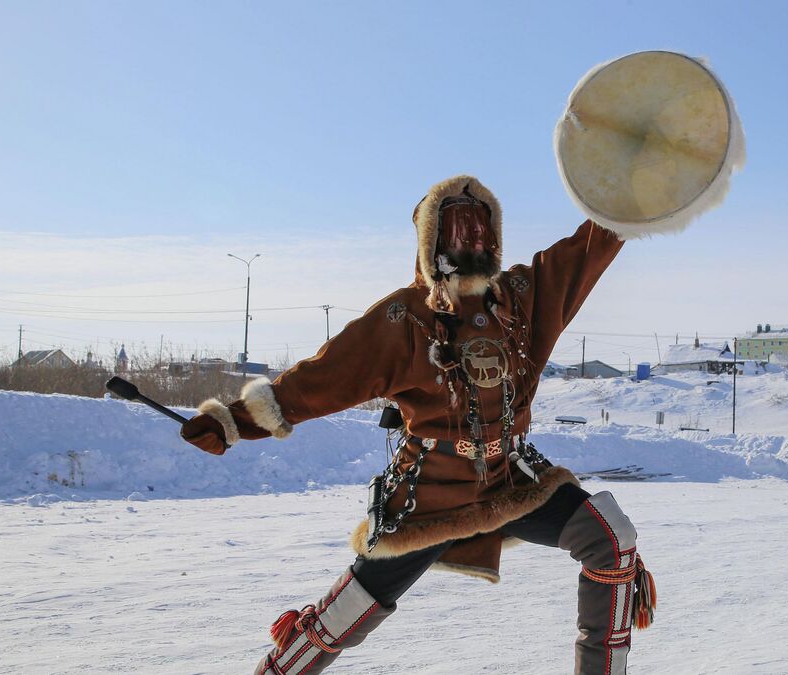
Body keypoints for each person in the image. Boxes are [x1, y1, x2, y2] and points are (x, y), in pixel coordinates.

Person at [181, 175, 654, 675]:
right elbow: (322, 379)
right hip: (429, 495)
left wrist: (630, 195)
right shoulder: (403, 319)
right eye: (458, 229)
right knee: (344, 615)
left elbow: (582, 252)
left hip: (511, 481)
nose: (471, 239)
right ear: (431, 242)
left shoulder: (520, 298)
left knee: (611, 537)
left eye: (481, 228)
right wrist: (231, 422)